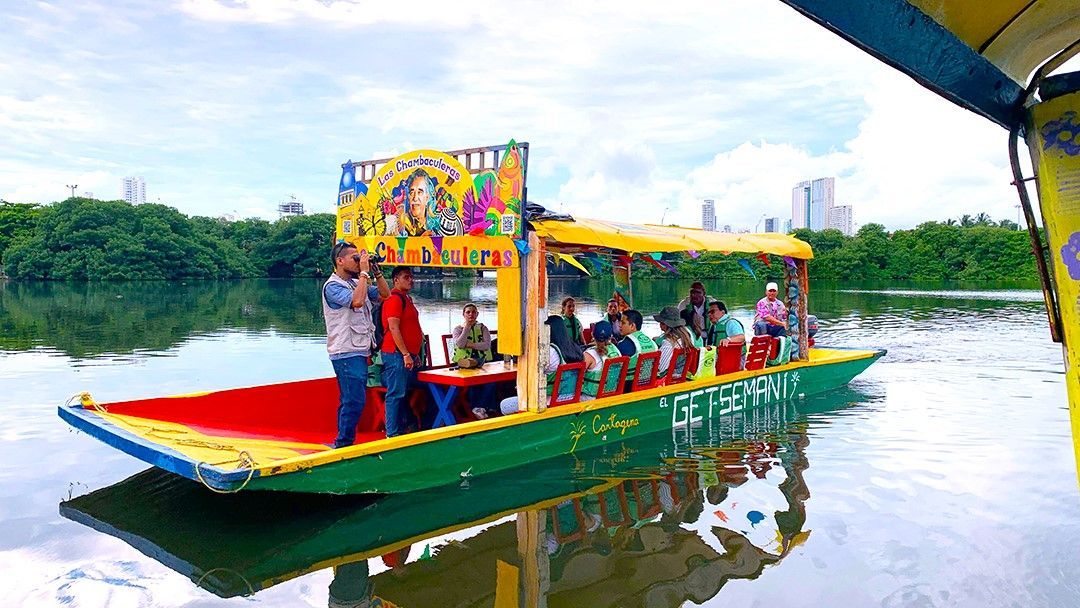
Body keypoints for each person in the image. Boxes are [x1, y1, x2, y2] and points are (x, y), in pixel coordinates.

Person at [322, 242, 390, 448]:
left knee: (353, 399)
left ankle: (344, 442)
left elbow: (385, 295)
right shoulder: (332, 286)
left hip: (359, 350)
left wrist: (376, 273)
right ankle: (342, 444)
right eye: (354, 258)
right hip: (345, 351)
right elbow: (357, 302)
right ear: (339, 261)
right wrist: (363, 273)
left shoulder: (355, 283)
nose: (359, 262)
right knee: (353, 400)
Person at [499, 315, 583, 414]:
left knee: (504, 405)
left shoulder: (550, 351)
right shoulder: (576, 349)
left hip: (548, 401)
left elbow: (533, 372)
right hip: (570, 398)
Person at [381, 266, 425, 437]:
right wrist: (406, 354)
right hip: (395, 354)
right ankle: (392, 433)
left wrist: (414, 354)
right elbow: (394, 327)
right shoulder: (394, 299)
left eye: (411, 277)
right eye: (406, 277)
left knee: (405, 390)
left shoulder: (407, 299)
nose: (411, 280)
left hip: (408, 355)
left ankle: (410, 424)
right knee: (396, 393)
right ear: (396, 280)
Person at [452, 303, 498, 419]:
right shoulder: (458, 329)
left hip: (482, 363)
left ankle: (483, 407)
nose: (471, 314)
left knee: (491, 382)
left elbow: (486, 345)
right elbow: (460, 344)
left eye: (473, 312)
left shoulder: (483, 328)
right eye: (468, 312)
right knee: (473, 383)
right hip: (464, 365)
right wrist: (467, 328)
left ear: (477, 314)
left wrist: (470, 344)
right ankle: (476, 408)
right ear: (463, 314)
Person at [581, 320, 621, 400]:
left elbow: (576, 377)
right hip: (611, 396)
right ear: (610, 336)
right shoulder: (617, 351)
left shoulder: (589, 355)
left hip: (589, 399)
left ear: (592, 334)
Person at [653, 306, 696, 376]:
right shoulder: (687, 336)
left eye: (661, 322)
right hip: (682, 375)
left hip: (670, 380)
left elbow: (661, 370)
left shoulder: (669, 342)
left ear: (665, 324)